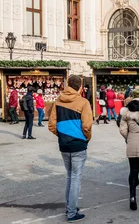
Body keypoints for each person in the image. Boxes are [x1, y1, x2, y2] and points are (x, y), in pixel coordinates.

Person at [48, 74, 93, 222]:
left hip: (64, 144)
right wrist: (86, 138)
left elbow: (52, 125)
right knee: (76, 178)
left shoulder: (58, 101)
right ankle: (72, 212)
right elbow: (87, 125)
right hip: (78, 144)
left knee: (69, 176)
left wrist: (62, 135)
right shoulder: (83, 102)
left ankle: (70, 206)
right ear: (80, 87)